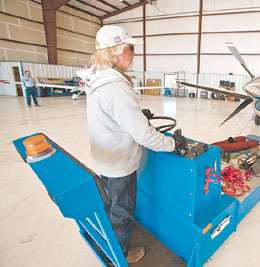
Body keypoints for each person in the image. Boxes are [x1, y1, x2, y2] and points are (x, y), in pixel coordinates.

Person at [77, 25, 186, 264]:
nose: (134, 53)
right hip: (120, 163)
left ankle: (109, 241)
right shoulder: (115, 86)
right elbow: (144, 136)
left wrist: (135, 113)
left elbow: (112, 114)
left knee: (112, 204)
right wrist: (172, 144)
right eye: (130, 48)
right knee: (122, 211)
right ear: (115, 52)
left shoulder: (98, 78)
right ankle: (119, 253)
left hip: (104, 156)